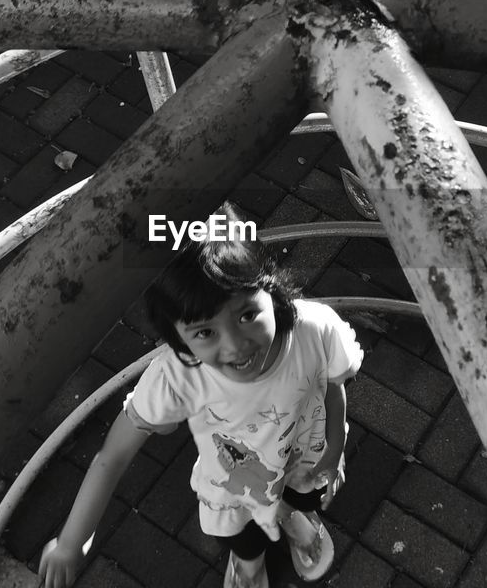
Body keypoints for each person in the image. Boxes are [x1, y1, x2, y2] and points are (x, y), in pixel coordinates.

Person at [38, 205, 363, 588]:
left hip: (304, 460)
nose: (236, 346)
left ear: (269, 284)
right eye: (205, 332)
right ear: (177, 338)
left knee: (304, 497)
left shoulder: (315, 330)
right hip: (235, 490)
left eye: (246, 315)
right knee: (241, 536)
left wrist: (334, 448)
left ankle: (291, 516)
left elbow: (332, 384)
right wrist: (72, 541)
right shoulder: (179, 377)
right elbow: (113, 455)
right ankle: (250, 565)